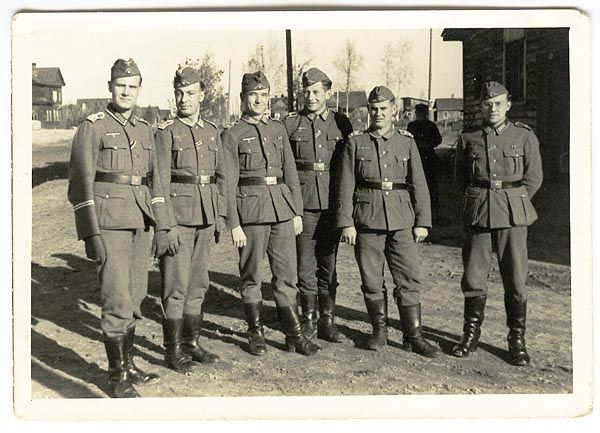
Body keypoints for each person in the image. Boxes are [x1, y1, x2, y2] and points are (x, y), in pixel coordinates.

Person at [68, 58, 175, 397]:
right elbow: (79, 183)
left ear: (139, 90)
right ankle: (116, 378)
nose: (126, 92)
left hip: (141, 222)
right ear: (110, 87)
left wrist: (162, 226)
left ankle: (128, 365)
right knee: (115, 299)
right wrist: (90, 233)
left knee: (134, 296)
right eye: (120, 86)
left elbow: (155, 182)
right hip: (110, 223)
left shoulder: (145, 129)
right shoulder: (93, 126)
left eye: (132, 87)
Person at [221, 71, 320, 357]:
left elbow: (290, 171)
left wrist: (296, 212)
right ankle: (256, 332)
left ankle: (294, 334)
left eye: (264, 96)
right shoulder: (233, 134)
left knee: (286, 274)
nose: (259, 100)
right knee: (251, 275)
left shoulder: (277, 129)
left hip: (281, 209)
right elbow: (228, 182)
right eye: (253, 95)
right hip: (250, 211)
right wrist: (234, 224)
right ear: (242, 98)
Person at [335, 85, 438, 358]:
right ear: (367, 111)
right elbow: (345, 185)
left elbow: (419, 183)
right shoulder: (356, 142)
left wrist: (422, 221)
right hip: (367, 219)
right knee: (371, 279)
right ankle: (379, 330)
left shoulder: (407, 141)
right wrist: (346, 222)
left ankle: (413, 335)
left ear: (395, 110)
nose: (378, 114)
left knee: (408, 277)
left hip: (402, 219)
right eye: (373, 109)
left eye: (383, 109)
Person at [452, 81, 543, 366]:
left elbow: (534, 177)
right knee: (474, 276)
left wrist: (514, 200)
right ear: (482, 107)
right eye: (487, 104)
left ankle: (516, 340)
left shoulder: (524, 135)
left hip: (513, 212)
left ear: (508, 105)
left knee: (515, 277)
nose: (492, 109)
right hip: (479, 210)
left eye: (498, 104)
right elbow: (460, 177)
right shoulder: (469, 138)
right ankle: (470, 335)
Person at [154, 64, 223, 374]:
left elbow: (221, 176)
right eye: (180, 93)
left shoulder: (211, 131)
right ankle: (172, 351)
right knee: (175, 286)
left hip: (206, 217)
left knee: (198, 284)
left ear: (202, 96)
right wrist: (166, 225)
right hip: (179, 220)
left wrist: (218, 214)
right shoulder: (166, 133)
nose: (184, 99)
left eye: (190, 93)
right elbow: (160, 183)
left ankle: (192, 344)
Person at [283, 67, 353, 344]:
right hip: (304, 204)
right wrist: (293, 208)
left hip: (332, 204)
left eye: (316, 92)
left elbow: (348, 167)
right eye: (306, 92)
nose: (311, 97)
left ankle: (327, 321)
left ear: (328, 93)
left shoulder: (341, 123)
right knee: (305, 265)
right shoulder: (290, 124)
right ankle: (308, 321)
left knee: (329, 264)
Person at [407, 103, 442, 216]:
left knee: (430, 183)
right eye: (419, 113)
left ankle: (433, 209)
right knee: (416, 182)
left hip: (428, 158)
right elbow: (408, 141)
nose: (420, 115)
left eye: (421, 113)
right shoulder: (412, 126)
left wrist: (427, 145)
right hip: (417, 157)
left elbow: (438, 139)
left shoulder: (430, 126)